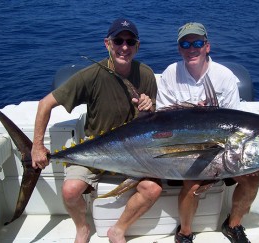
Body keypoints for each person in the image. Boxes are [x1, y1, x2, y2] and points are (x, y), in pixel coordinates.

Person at [31, 18, 162, 243]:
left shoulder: (147, 75)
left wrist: (150, 106)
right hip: (94, 152)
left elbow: (151, 121)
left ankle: (118, 230)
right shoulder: (91, 75)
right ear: (107, 43)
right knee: (70, 190)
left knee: (153, 190)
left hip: (134, 154)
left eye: (130, 42)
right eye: (118, 40)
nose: (124, 47)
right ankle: (82, 228)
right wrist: (36, 146)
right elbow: (45, 104)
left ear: (137, 46)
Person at [156, 22, 259, 243]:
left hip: (223, 151)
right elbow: (162, 121)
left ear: (207, 46)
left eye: (197, 43)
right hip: (185, 150)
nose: (191, 48)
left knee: (252, 180)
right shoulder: (170, 73)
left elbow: (235, 124)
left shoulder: (224, 76)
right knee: (192, 184)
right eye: (185, 43)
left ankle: (233, 225)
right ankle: (185, 232)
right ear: (179, 49)